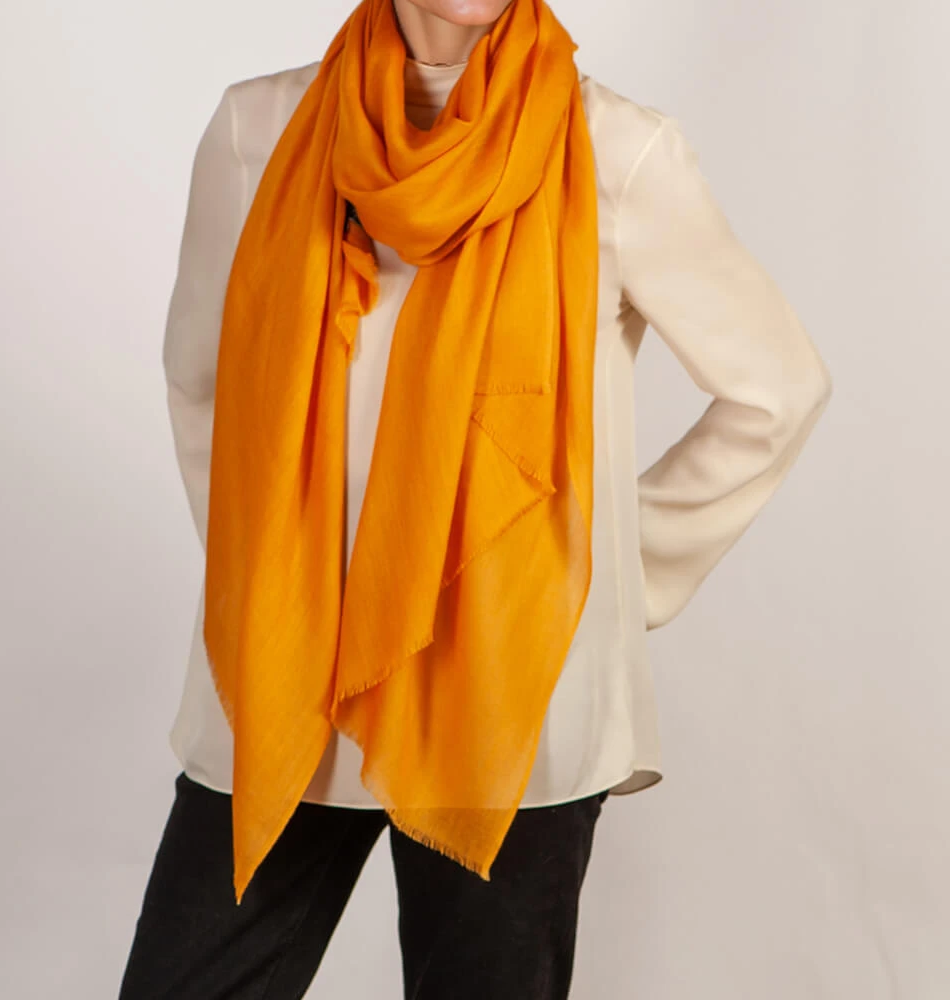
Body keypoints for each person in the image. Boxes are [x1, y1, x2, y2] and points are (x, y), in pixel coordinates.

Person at [117, 0, 833, 996]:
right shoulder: (258, 131)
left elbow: (776, 391)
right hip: (286, 686)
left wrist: (601, 581)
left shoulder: (617, 152)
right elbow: (203, 379)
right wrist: (274, 589)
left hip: (510, 700)